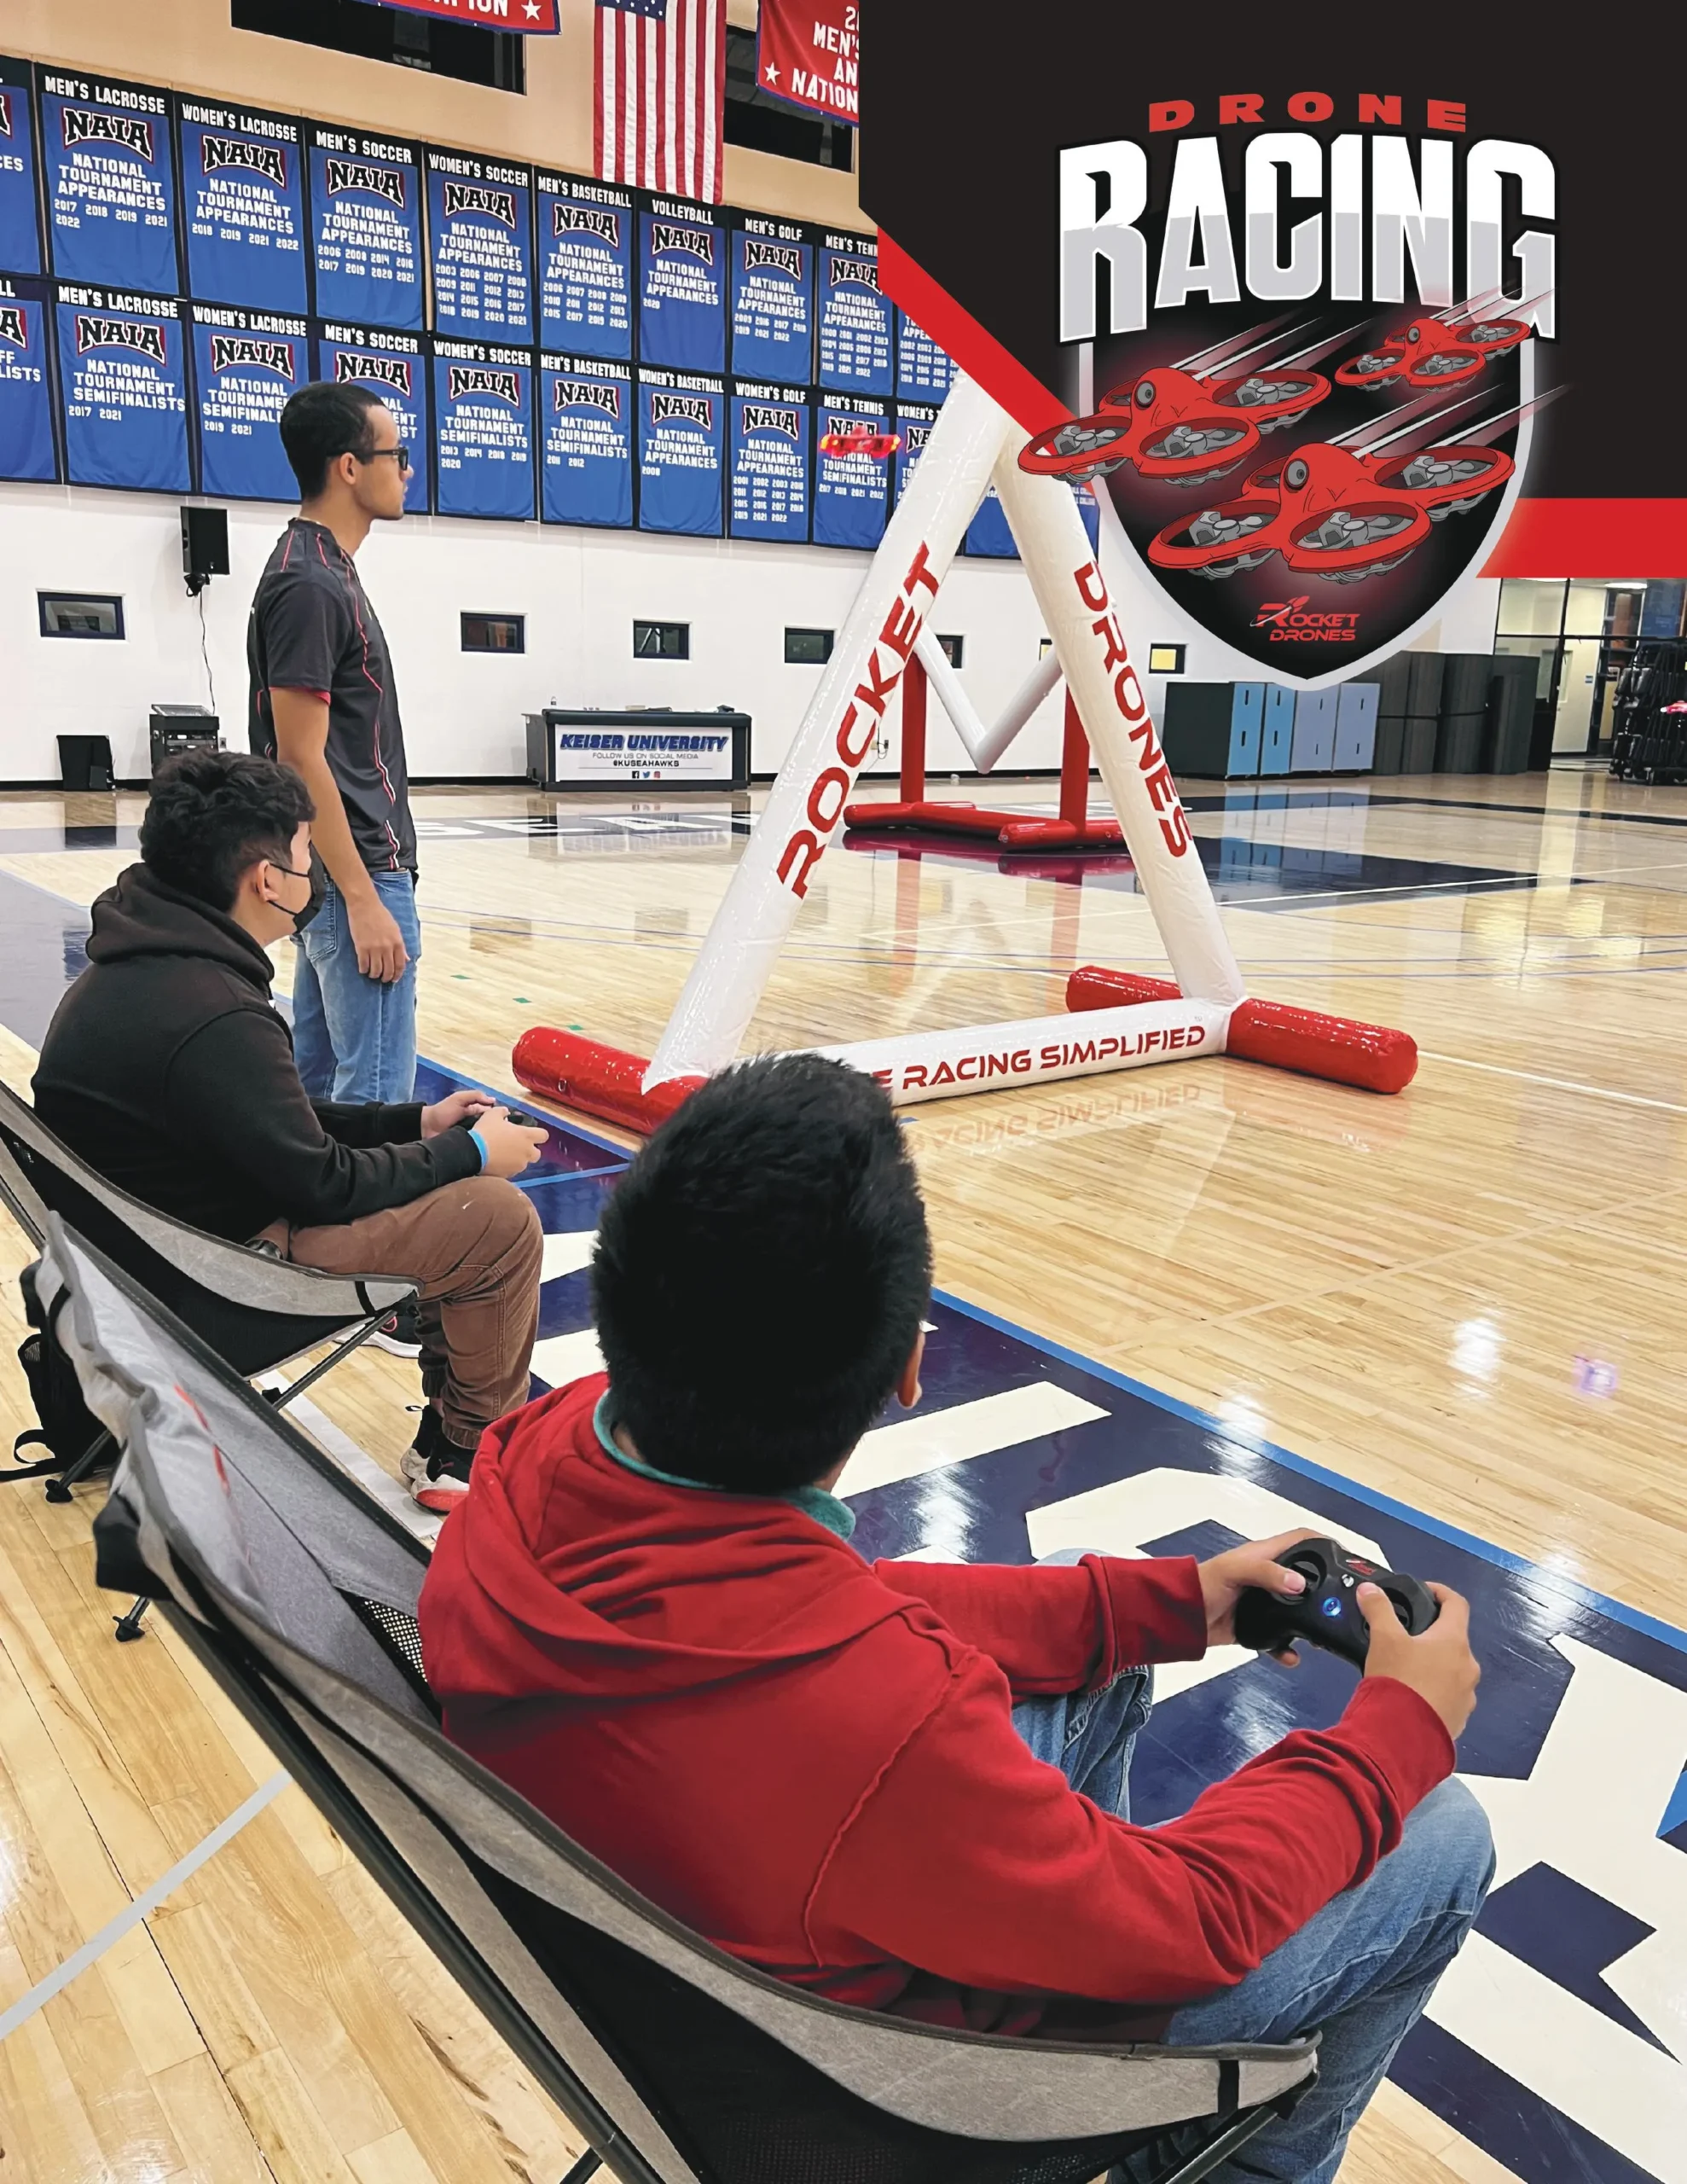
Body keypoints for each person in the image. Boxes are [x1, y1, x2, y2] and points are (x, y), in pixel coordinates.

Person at [419, 1054, 1493, 2183]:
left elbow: (834, 1622)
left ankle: (1061, 1884)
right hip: (917, 2104)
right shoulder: (882, 1733)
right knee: (1443, 1828)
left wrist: (1171, 1602)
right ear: (910, 1368)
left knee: (1095, 1631)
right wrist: (1396, 1734)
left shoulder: (535, 1455)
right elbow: (1191, 1924)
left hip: (681, 1978)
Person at [32, 750, 548, 1509]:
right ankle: (466, 1454)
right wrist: (467, 1150)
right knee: (496, 1220)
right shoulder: (213, 1008)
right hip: (211, 1283)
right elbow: (322, 1180)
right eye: (308, 853)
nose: (315, 874)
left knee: (451, 1184)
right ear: (267, 879)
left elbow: (265, 1120)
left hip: (141, 1266)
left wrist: (416, 1120)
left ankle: (453, 1433)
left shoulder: (139, 967)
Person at [249, 379, 419, 1111]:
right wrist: (362, 898)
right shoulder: (313, 584)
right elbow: (299, 756)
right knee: (374, 1103)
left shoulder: (321, 568)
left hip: (332, 876)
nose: (407, 470)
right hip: (355, 876)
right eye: (396, 454)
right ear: (349, 466)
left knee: (315, 1094)